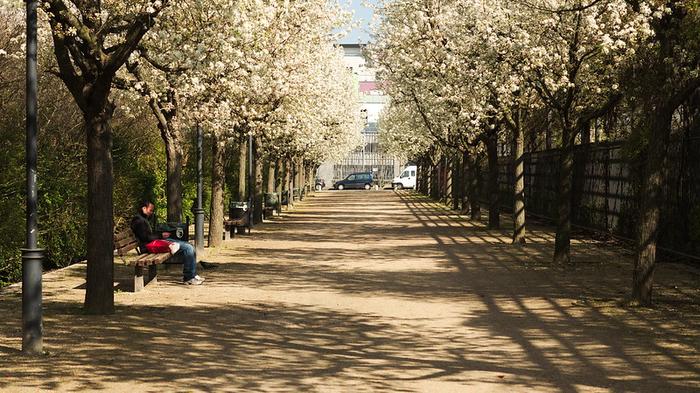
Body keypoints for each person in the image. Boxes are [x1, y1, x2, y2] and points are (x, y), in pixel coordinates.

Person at [131, 200, 204, 285]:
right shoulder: (138, 221)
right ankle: (189, 277)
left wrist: (161, 236)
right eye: (150, 210)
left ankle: (192, 274)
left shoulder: (142, 219)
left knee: (189, 245)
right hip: (150, 247)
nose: (151, 213)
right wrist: (161, 235)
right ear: (144, 208)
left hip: (155, 243)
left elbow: (148, 235)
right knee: (188, 248)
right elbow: (145, 237)